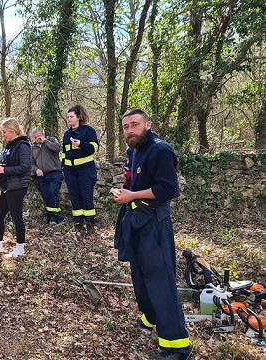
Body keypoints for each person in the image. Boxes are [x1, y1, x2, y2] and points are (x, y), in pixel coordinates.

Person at [112, 109, 191, 360]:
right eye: (125, 127)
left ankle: (177, 345)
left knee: (161, 281)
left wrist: (132, 196)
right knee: (139, 275)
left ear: (148, 124)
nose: (130, 131)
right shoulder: (134, 149)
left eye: (135, 125)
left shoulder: (160, 150)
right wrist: (126, 190)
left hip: (155, 224)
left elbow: (168, 189)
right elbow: (133, 177)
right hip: (135, 221)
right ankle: (151, 317)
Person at [0, 118, 31, 258]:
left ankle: (20, 248)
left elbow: (25, 167)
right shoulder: (10, 145)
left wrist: (3, 171)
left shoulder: (23, 145)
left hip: (18, 186)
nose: (3, 135)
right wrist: (0, 168)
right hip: (8, 185)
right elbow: (10, 164)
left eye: (4, 132)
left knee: (16, 217)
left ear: (12, 130)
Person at [62, 104, 99, 236]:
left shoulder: (88, 131)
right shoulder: (67, 134)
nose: (69, 119)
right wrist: (63, 167)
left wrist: (81, 144)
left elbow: (94, 148)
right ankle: (78, 225)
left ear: (78, 117)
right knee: (74, 198)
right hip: (70, 171)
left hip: (86, 170)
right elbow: (64, 153)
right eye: (68, 117)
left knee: (86, 197)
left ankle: (90, 225)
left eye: (71, 116)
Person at [30, 127, 64, 225]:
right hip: (42, 176)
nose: (37, 139)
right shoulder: (34, 148)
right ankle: (58, 217)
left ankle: (52, 219)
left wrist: (45, 141)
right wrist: (37, 170)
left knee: (53, 192)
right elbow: (31, 163)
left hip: (54, 172)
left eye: (38, 136)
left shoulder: (51, 141)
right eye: (35, 137)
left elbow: (57, 148)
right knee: (46, 195)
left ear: (43, 135)